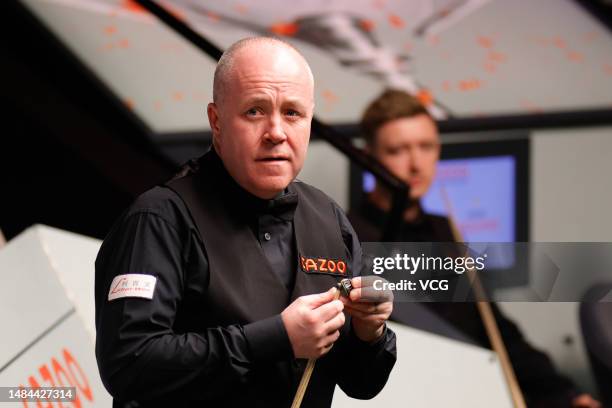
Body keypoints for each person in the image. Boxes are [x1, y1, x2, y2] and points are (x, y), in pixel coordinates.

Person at [95, 37, 396, 408]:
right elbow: (129, 364)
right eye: (254, 111)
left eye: (292, 113)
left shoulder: (329, 218)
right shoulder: (159, 219)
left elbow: (362, 384)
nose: (276, 132)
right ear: (216, 121)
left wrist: (371, 333)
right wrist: (277, 339)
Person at [348, 89, 600, 408]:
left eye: (426, 147)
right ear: (369, 155)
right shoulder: (348, 238)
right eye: (398, 150)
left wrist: (566, 395)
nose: (416, 164)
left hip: (476, 388)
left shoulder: (444, 229)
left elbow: (495, 329)